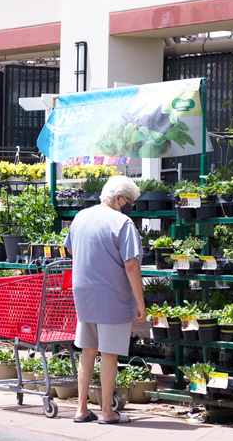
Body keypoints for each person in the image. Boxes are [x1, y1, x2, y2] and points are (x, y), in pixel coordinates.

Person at [64, 176, 144, 425]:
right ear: (119, 198)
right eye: (130, 201)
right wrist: (140, 302)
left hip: (84, 294)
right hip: (113, 296)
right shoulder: (123, 223)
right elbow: (131, 265)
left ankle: (81, 409)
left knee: (87, 352)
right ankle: (108, 412)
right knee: (109, 355)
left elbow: (69, 249)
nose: (131, 206)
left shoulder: (81, 217)